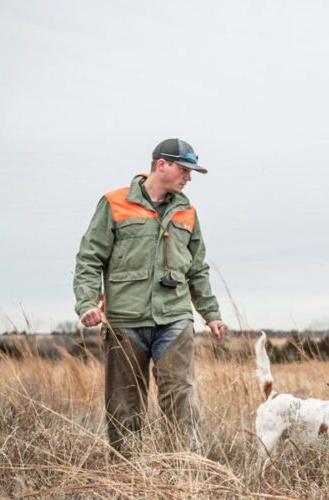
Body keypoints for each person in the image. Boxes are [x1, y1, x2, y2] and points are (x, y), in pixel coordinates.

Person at [73, 138, 228, 456]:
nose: (188, 178)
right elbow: (90, 258)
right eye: (184, 170)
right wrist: (88, 302)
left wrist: (211, 314)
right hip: (125, 321)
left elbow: (197, 268)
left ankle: (184, 471)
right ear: (162, 165)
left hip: (174, 318)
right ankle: (127, 474)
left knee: (181, 396)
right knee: (124, 400)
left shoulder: (188, 212)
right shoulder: (114, 203)